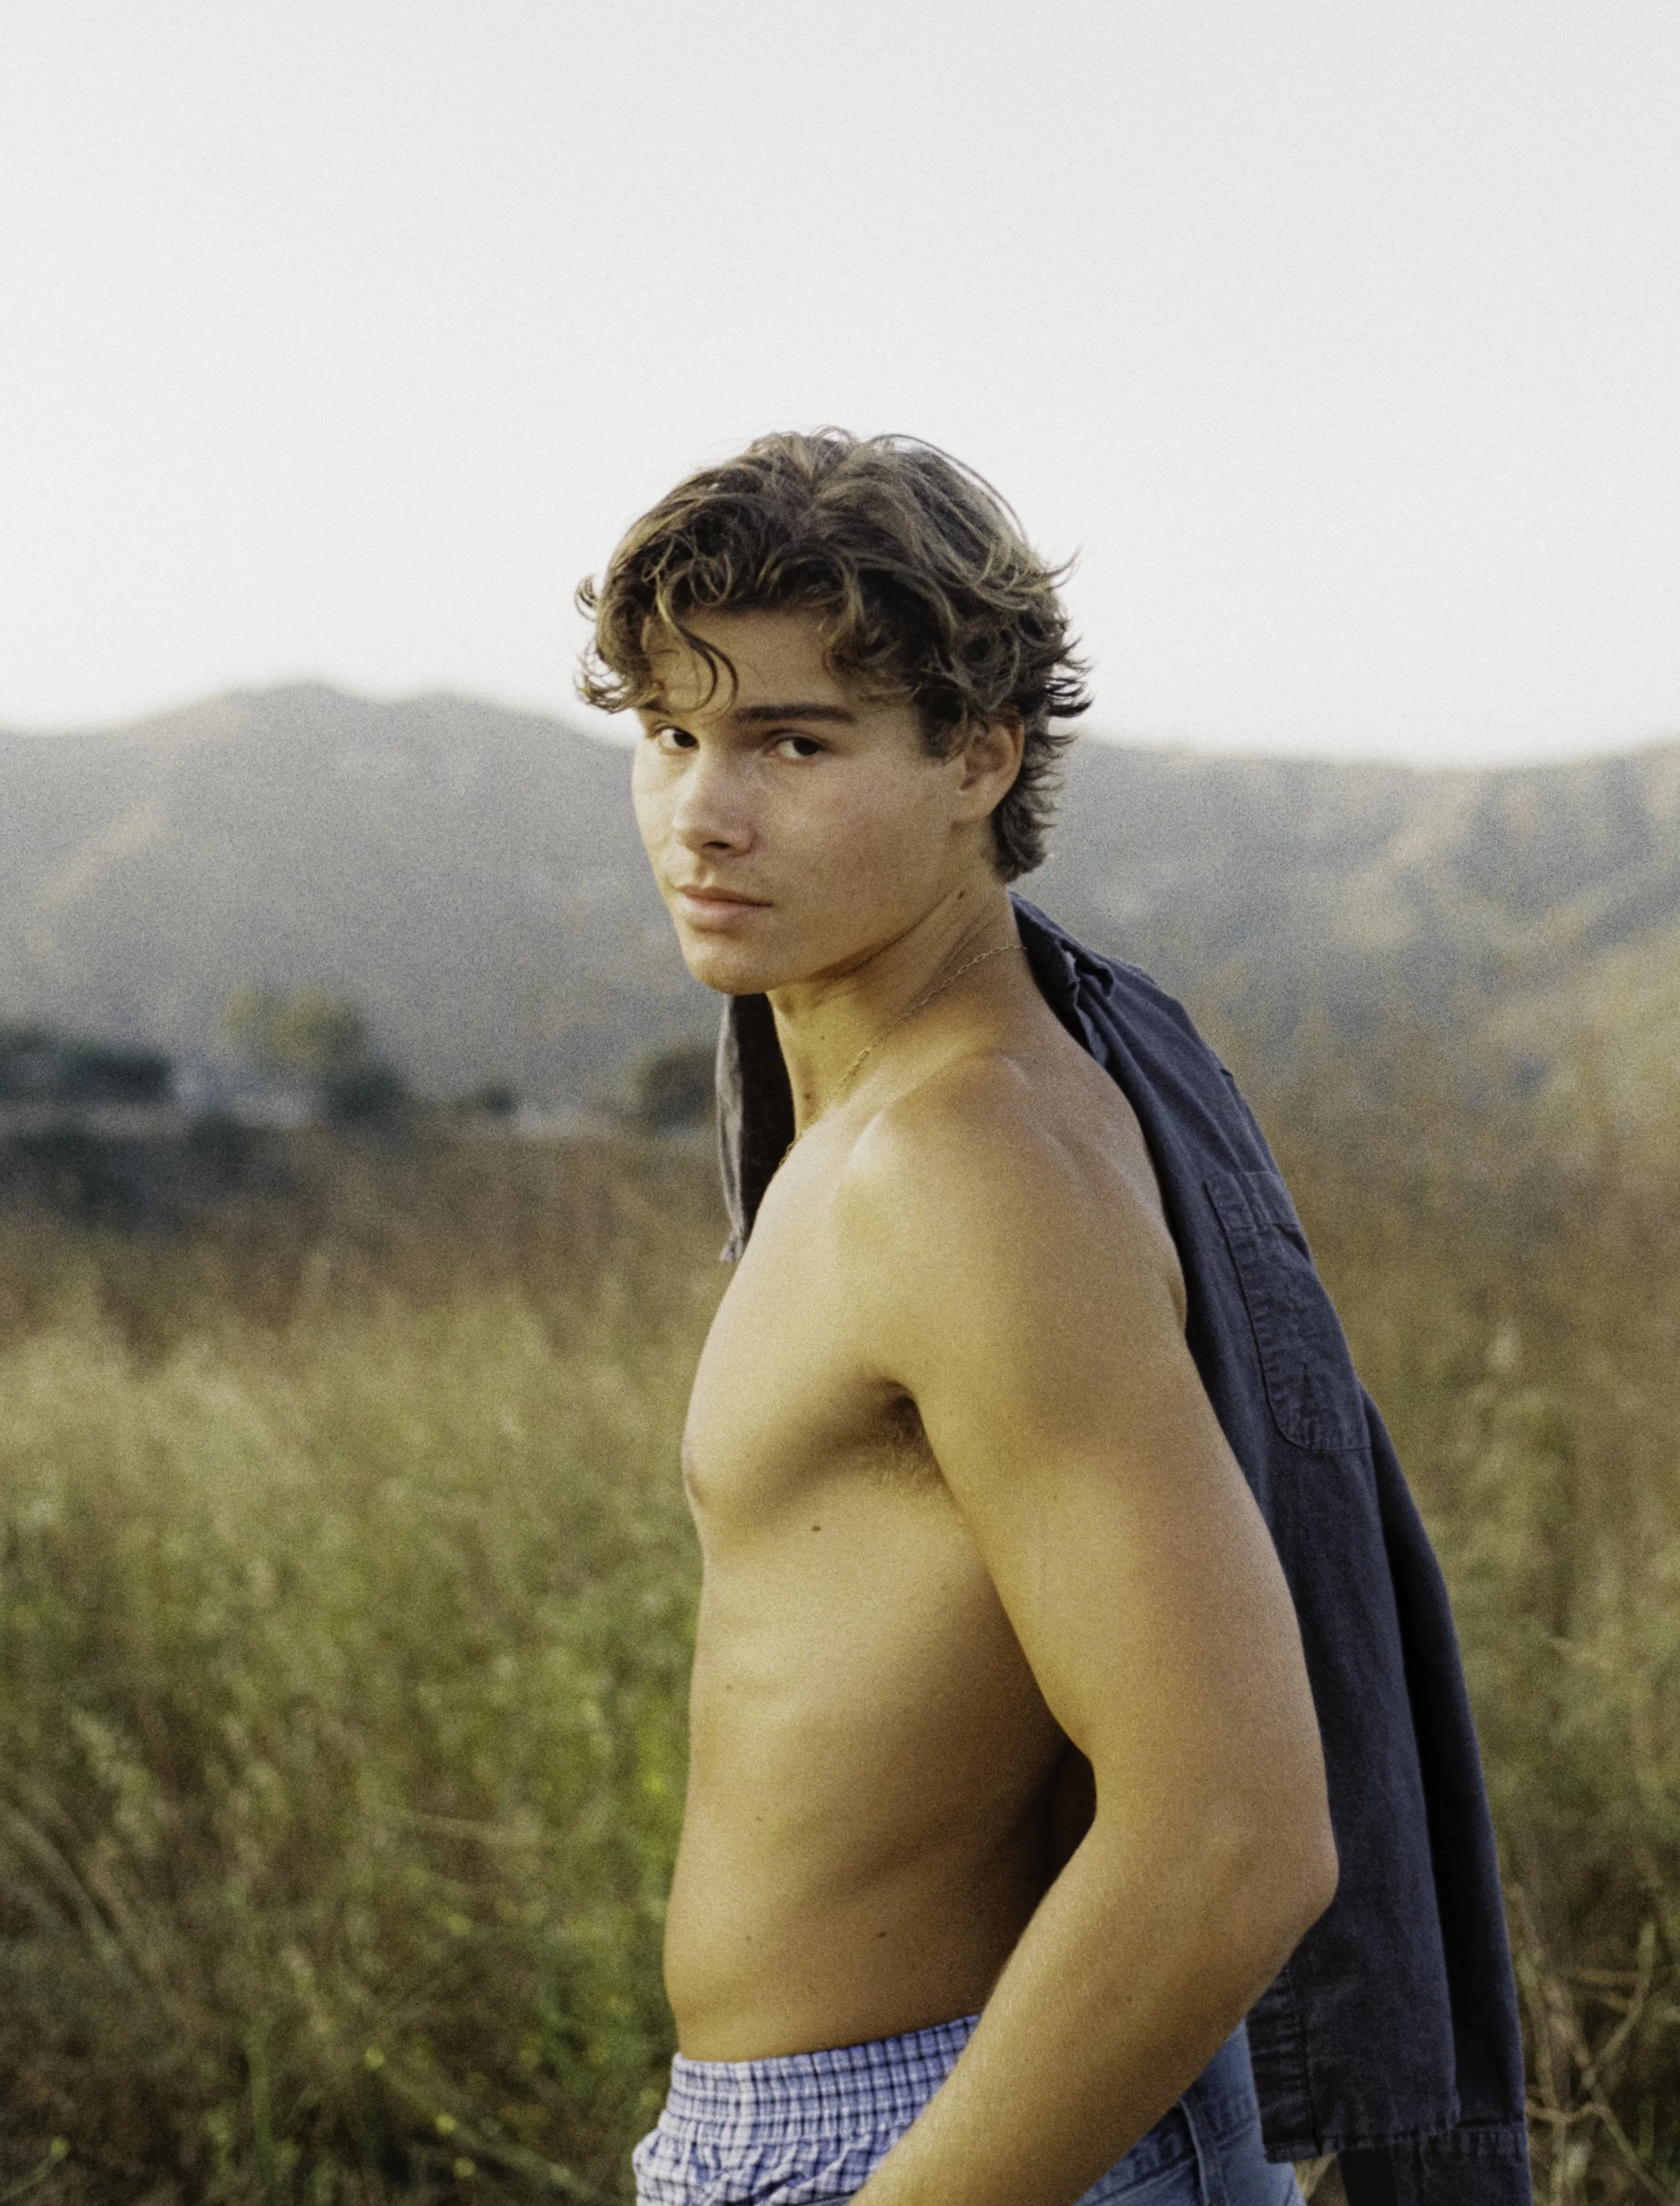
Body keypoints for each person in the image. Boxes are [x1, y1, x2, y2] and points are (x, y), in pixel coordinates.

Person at [577, 432, 1530, 2206]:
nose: (702, 813)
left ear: (980, 759)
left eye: (793, 743)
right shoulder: (913, 1105)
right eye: (669, 734)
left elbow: (1230, 1836)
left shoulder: (959, 1162)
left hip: (954, 2140)